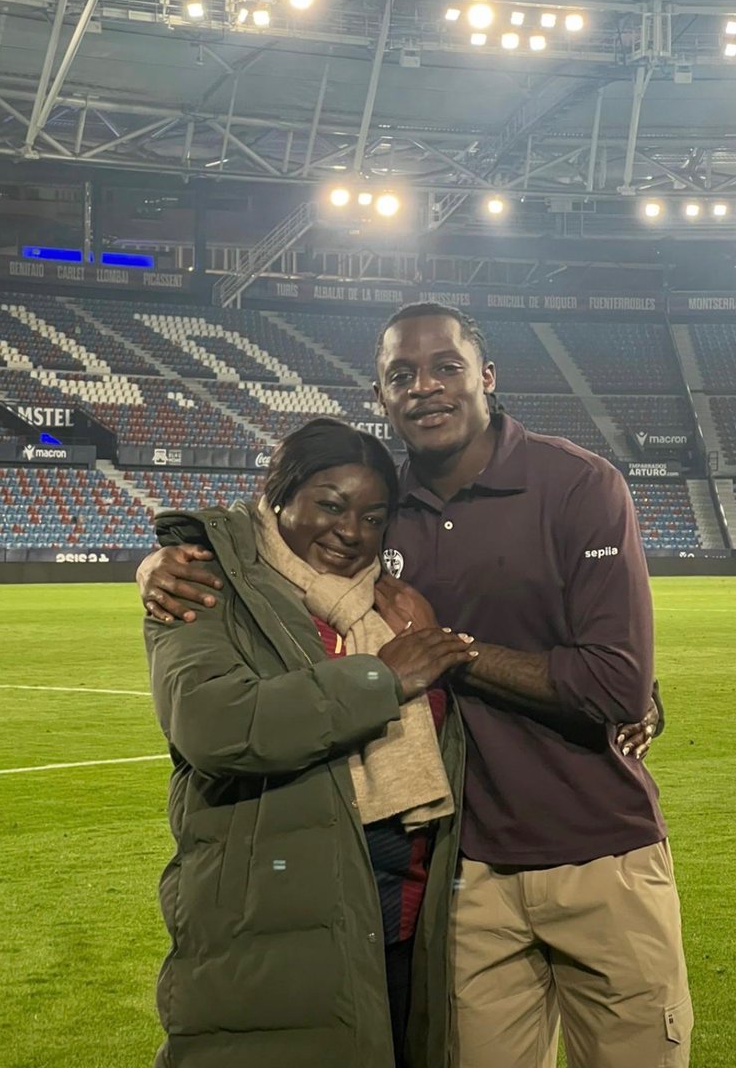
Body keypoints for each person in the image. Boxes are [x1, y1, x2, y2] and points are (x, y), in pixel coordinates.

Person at [139, 304, 687, 1068]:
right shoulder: (383, 509)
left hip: (599, 851)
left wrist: (456, 653)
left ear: (486, 376)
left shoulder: (577, 484)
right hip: (466, 876)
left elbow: (613, 684)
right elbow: (269, 542)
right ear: (381, 395)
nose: (425, 386)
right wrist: (167, 561)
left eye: (446, 367)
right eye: (403, 374)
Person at [145, 417, 476, 1068]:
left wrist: (632, 702)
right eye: (330, 504)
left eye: (373, 517)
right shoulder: (205, 586)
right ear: (278, 494)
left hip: (403, 925)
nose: (351, 531)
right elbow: (217, 725)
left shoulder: (393, 607)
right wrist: (384, 678)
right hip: (276, 928)